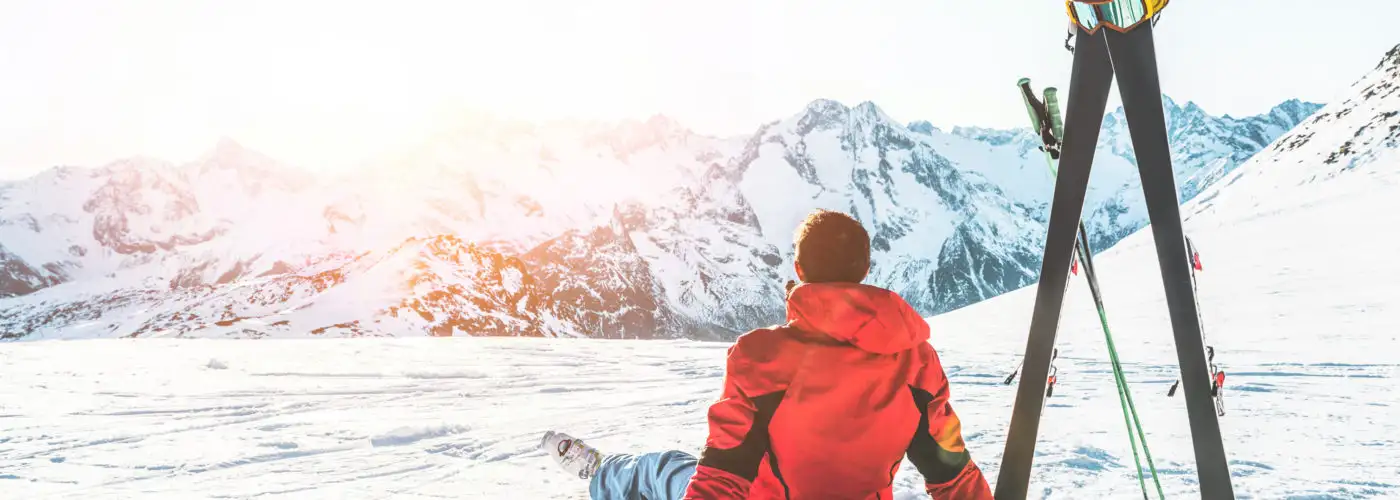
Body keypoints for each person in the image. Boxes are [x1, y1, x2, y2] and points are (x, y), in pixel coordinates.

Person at [541, 209, 993, 499]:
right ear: (864, 271)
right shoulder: (917, 362)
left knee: (663, 469)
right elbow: (951, 471)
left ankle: (599, 472)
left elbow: (723, 474)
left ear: (799, 271)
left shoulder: (762, 356)